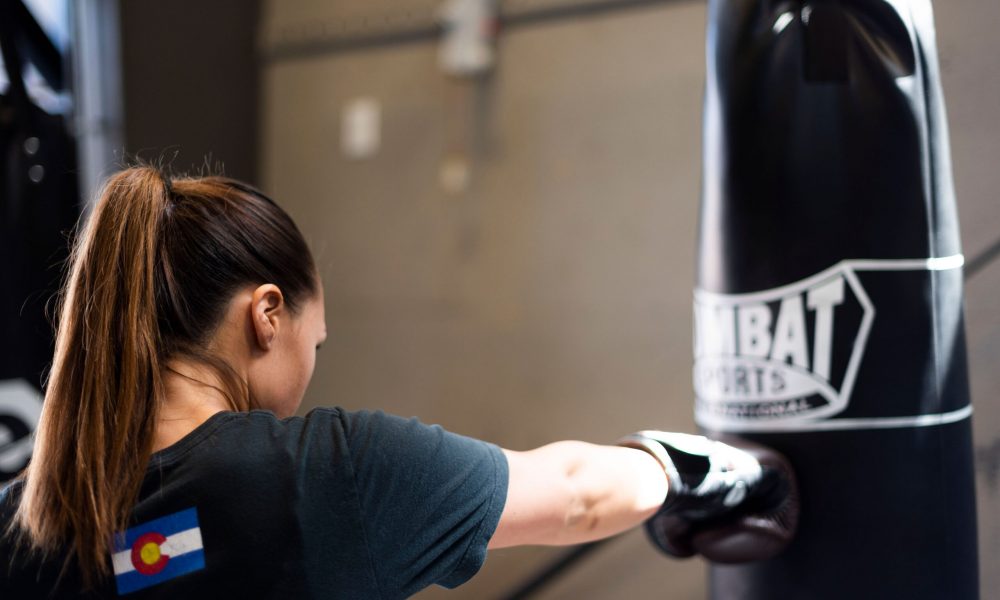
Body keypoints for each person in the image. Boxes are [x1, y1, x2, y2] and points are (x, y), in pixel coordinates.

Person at [0, 166, 795, 599]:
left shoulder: (21, 518)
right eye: (315, 341)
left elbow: (159, 558)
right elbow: (579, 491)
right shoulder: (323, 475)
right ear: (266, 315)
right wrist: (713, 470)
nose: (309, 372)